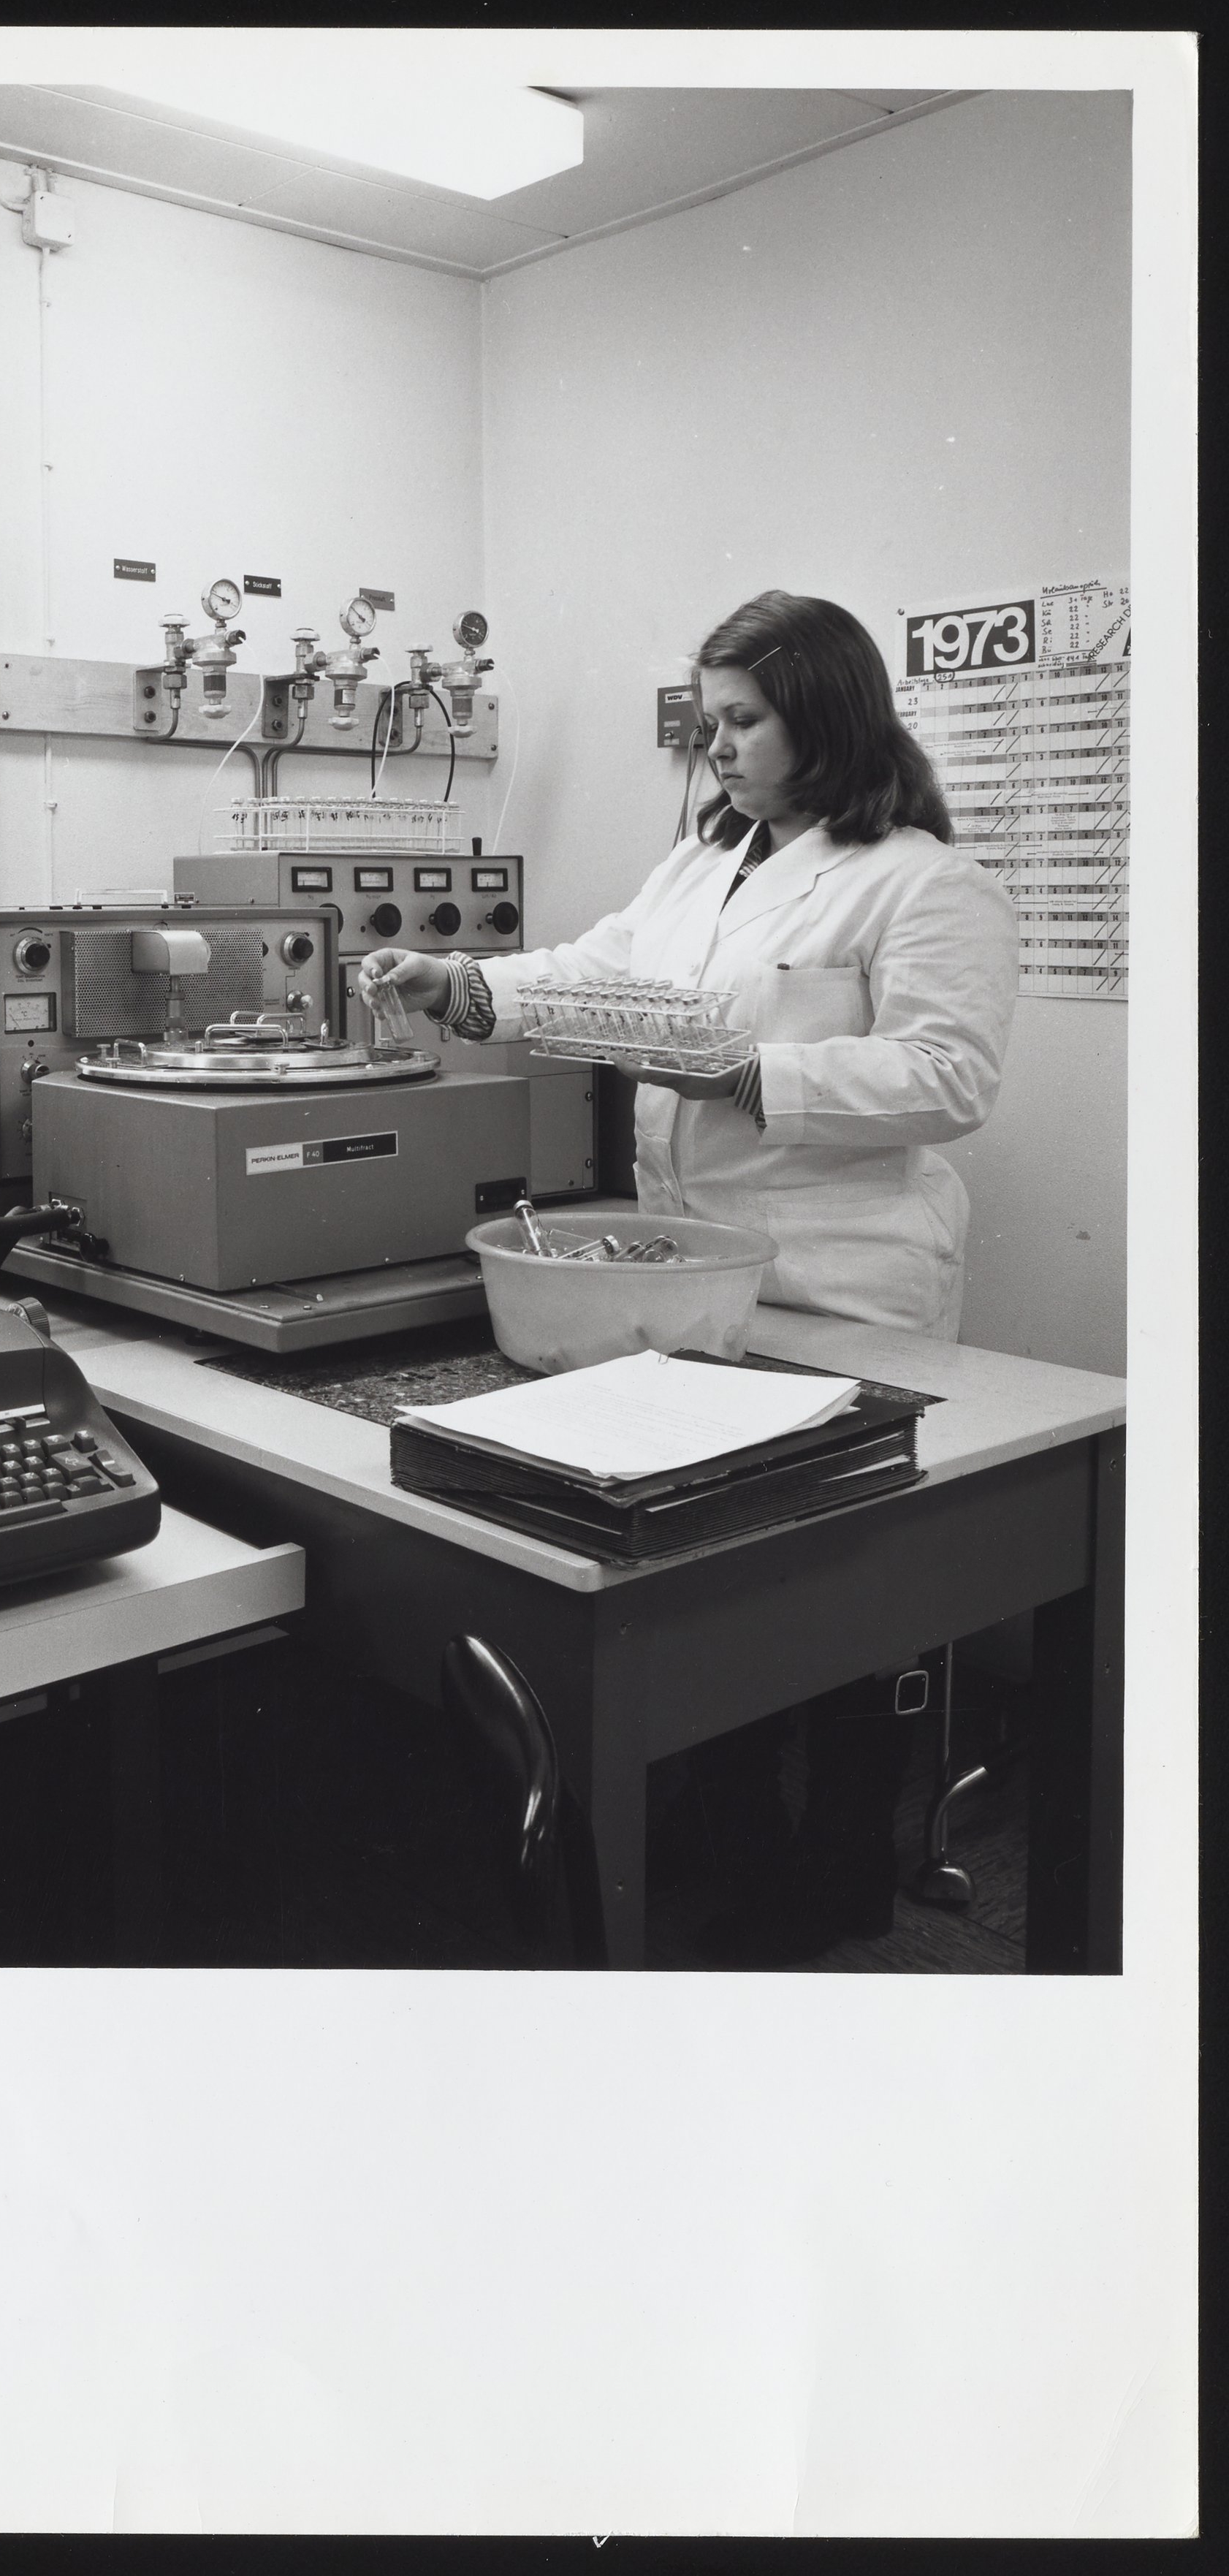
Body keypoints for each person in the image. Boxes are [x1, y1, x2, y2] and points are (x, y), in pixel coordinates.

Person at [359, 589, 1019, 1961]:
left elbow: (950, 1077)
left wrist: (748, 1072)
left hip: (845, 1285)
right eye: (710, 719)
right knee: (723, 1589)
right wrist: (458, 984)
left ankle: (838, 1884)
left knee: (843, 1608)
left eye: (743, 720)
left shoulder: (921, 880)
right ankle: (742, 1860)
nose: (714, 746)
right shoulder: (701, 863)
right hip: (696, 1275)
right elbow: (599, 974)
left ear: (825, 719)